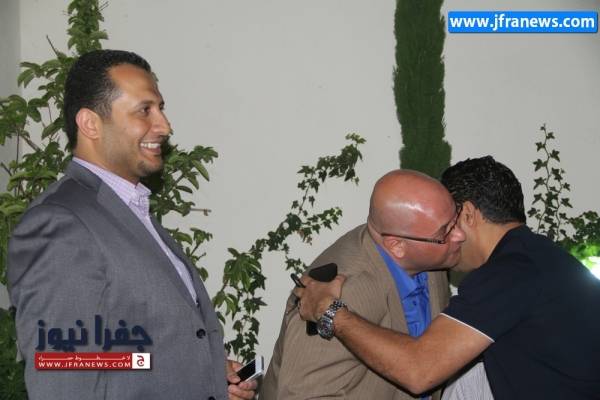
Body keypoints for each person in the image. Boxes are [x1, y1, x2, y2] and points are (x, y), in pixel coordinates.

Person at [8, 50, 255, 400]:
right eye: (145, 110)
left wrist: (207, 374)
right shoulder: (61, 224)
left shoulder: (130, 210)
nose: (164, 126)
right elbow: (65, 379)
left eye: (160, 108)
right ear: (90, 124)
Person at [294, 156, 600, 399]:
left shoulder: (508, 273)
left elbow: (419, 371)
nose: (452, 239)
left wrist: (329, 311)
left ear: (467, 214)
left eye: (448, 222)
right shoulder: (539, 256)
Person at [260, 170, 465, 399]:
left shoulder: (431, 255)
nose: (460, 235)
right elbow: (301, 395)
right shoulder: (342, 292)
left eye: (456, 217)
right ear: (397, 245)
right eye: (446, 231)